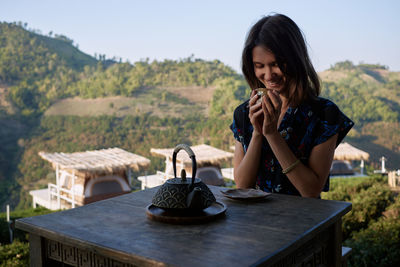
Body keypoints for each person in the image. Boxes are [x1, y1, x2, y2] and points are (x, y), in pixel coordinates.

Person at [230, 14, 354, 198]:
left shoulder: (324, 115)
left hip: (302, 224)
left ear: (295, 59)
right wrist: (257, 133)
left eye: (276, 64)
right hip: (255, 223)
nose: (268, 74)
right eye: (259, 66)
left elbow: (311, 191)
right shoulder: (244, 113)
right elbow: (242, 185)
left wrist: (272, 134)